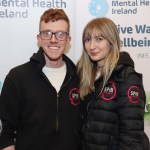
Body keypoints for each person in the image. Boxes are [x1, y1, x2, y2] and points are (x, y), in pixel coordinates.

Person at [0, 8, 82, 150]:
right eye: (47, 33)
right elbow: (6, 135)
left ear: (68, 40)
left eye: (60, 34)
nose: (53, 40)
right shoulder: (17, 77)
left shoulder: (79, 78)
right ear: (39, 38)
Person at [77, 17, 149, 150]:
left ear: (111, 41)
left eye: (99, 39)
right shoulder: (84, 75)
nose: (92, 46)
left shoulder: (127, 78)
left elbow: (132, 139)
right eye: (87, 40)